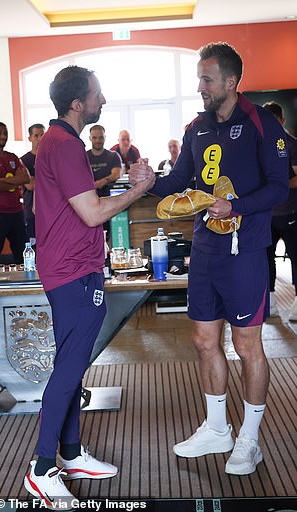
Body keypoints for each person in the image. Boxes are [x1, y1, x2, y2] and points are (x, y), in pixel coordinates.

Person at [129, 42, 289, 476]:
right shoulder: (197, 127)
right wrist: (149, 182)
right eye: (199, 78)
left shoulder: (261, 123)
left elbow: (279, 188)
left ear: (231, 81)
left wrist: (234, 207)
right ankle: (217, 429)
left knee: (246, 345)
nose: (200, 86)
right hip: (204, 251)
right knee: (203, 341)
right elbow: (180, 180)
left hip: (245, 253)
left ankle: (250, 440)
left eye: (206, 79)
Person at [23, 65, 155, 508]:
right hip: (73, 272)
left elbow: (85, 206)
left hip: (73, 269)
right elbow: (94, 213)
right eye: (97, 94)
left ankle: (72, 455)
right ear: (78, 103)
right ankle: (42, 469)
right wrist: (140, 189)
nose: (103, 99)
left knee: (72, 366)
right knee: (67, 371)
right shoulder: (63, 145)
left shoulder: (62, 142)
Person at [262, 102, 297, 321]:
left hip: (290, 211)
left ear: (282, 121)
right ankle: (271, 302)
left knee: (295, 257)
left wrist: (277, 184)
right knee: (267, 258)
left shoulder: (293, 145)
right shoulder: (261, 144)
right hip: (267, 213)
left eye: (276, 121)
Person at [0, 122, 30, 265]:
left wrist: (3, 181)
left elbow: (25, 178)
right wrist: (15, 180)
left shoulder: (13, 157)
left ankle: (26, 284)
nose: (3, 136)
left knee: (23, 254)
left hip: (16, 213)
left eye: (5, 133)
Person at [87, 124, 122, 239]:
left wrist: (104, 181)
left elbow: (117, 173)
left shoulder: (112, 156)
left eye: (100, 137)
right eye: (95, 137)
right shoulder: (84, 156)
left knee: (109, 237)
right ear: (90, 138)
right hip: (88, 203)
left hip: (109, 202)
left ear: (105, 137)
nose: (98, 140)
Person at [21, 123, 45, 245]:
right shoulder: (23, 160)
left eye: (42, 135)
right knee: (33, 247)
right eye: (36, 136)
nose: (40, 138)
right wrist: (49, 180)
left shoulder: (50, 158)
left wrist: (37, 179)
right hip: (31, 212)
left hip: (50, 211)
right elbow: (30, 185)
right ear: (30, 138)